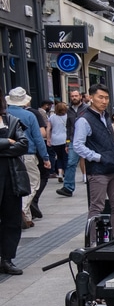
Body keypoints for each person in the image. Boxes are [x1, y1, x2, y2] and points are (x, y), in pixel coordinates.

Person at [73, 84, 114, 241]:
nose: (104, 101)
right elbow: (77, 145)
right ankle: (93, 242)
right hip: (98, 170)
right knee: (97, 207)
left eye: (106, 98)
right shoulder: (84, 120)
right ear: (90, 98)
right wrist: (97, 157)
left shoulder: (106, 116)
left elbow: (109, 141)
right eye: (100, 97)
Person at [5, 88, 49, 229]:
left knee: (14, 185)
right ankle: (22, 210)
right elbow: (38, 137)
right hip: (27, 154)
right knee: (33, 184)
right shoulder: (29, 115)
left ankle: (27, 218)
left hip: (8, 154)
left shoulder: (4, 114)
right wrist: (45, 157)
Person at [0, 96, 29, 275]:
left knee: (12, 221)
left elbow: (23, 144)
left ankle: (7, 259)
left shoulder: (11, 120)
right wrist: (7, 142)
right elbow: (15, 145)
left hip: (12, 177)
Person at [55, 88, 88, 197]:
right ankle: (68, 188)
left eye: (76, 96)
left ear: (80, 97)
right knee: (71, 163)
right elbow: (68, 128)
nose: (74, 98)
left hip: (87, 139)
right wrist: (67, 143)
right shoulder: (68, 110)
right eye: (72, 96)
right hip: (74, 140)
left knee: (92, 162)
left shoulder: (87, 109)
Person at [48, 101, 69, 182]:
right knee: (66, 158)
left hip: (55, 140)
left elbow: (48, 128)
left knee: (59, 157)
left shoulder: (52, 117)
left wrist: (49, 139)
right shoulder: (67, 116)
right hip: (65, 139)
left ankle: (60, 172)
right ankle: (67, 175)